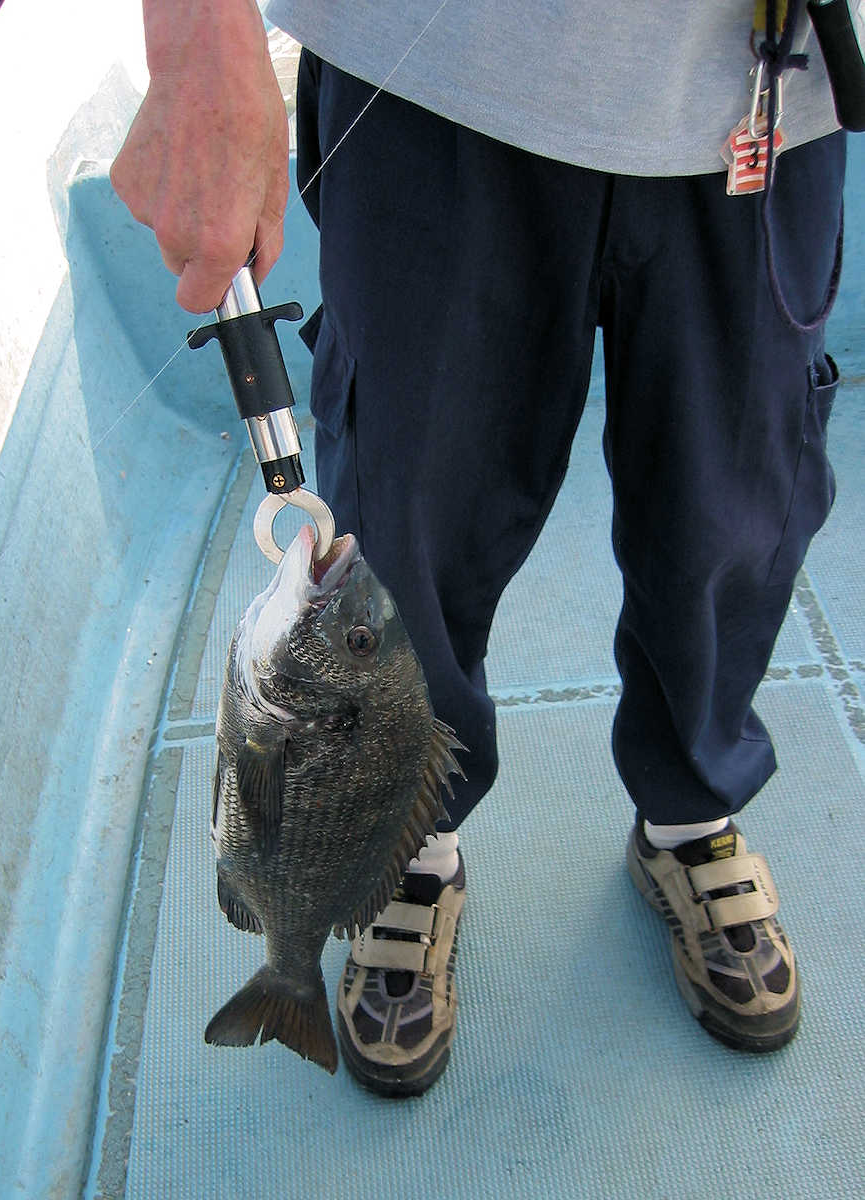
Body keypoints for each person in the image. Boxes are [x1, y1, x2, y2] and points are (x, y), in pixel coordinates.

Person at [112, 0, 850, 1095]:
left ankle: (692, 809)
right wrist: (194, 46)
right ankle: (403, 851)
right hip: (437, 80)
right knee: (406, 522)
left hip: (765, 91)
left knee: (730, 505)